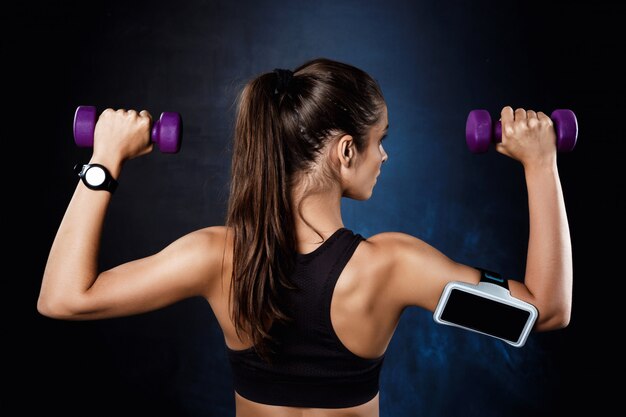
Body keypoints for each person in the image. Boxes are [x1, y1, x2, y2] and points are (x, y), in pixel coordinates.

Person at [38, 57, 572, 417]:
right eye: (378, 140)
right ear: (345, 152)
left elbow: (63, 299)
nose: (383, 155)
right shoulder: (393, 268)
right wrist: (540, 164)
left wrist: (103, 159)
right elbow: (545, 311)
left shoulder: (216, 257)